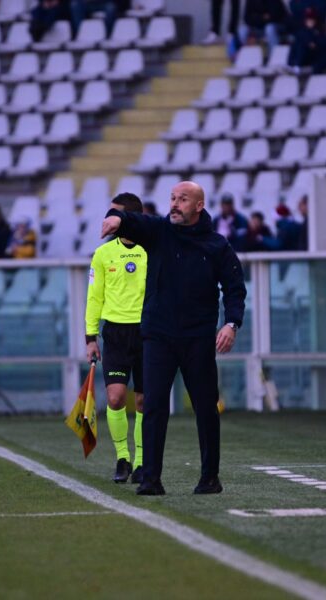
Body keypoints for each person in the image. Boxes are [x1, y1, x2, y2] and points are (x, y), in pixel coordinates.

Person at [101, 181, 246, 496]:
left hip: (198, 337)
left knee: (206, 407)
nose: (175, 204)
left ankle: (210, 477)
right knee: (153, 406)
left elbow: (235, 289)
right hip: (158, 336)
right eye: (172, 198)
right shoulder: (160, 232)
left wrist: (231, 324)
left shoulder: (217, 245)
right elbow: (140, 221)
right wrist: (119, 220)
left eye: (183, 199)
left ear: (198, 205)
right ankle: (151, 479)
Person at [86, 193, 147, 484]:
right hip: (116, 333)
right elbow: (94, 297)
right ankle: (122, 458)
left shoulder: (152, 250)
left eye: (115, 213)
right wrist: (90, 337)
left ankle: (142, 461)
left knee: (145, 401)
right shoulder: (102, 254)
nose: (109, 218)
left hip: (149, 332)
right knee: (115, 397)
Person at [288, 8, 326, 74]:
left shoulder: (321, 31)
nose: (310, 21)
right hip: (305, 56)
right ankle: (296, 65)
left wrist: (315, 44)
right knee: (300, 46)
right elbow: (297, 44)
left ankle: (297, 65)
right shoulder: (301, 32)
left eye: (312, 19)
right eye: (308, 19)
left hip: (316, 55)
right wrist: (308, 43)